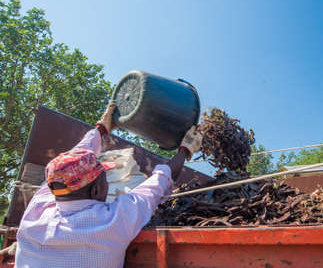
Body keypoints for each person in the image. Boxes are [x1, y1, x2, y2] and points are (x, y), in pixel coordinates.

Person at [14, 103, 203, 268]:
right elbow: (159, 181)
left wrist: (101, 128)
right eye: (105, 177)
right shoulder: (111, 222)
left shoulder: (37, 208)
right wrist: (185, 150)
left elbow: (74, 157)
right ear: (97, 189)